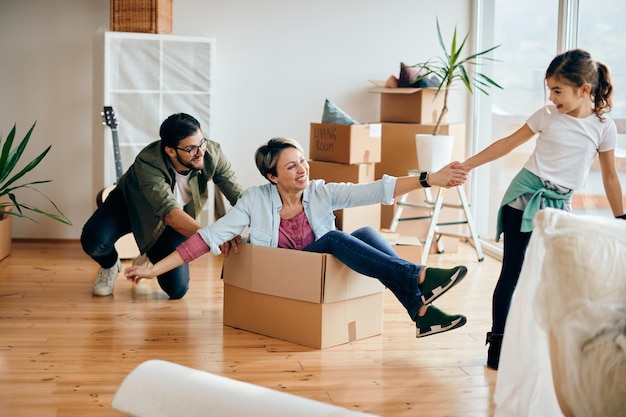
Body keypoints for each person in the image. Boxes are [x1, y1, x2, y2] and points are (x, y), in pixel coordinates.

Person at [125, 136, 471, 338]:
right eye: (291, 166)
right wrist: (154, 271)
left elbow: (375, 190)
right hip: (284, 275)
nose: (302, 169)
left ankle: (420, 312)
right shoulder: (253, 201)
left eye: (303, 162)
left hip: (317, 271)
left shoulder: (320, 192)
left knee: (365, 231)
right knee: (335, 240)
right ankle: (417, 278)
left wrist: (428, 179)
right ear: (272, 176)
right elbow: (207, 238)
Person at [453, 49, 626, 369]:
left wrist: (621, 218)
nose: (552, 97)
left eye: (558, 90)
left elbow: (611, 176)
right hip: (524, 198)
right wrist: (467, 165)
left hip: (559, 205)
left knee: (562, 273)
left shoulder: (603, 126)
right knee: (513, 272)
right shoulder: (547, 115)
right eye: (550, 90)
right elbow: (507, 143)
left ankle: (556, 344)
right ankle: (498, 345)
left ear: (584, 90)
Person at [81, 113, 244, 299]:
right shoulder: (148, 162)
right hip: (129, 206)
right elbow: (169, 212)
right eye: (191, 148)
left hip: (172, 222)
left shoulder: (211, 154)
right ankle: (110, 265)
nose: (200, 152)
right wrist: (212, 237)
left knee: (177, 290)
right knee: (93, 241)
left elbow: (239, 197)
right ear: (170, 151)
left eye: (202, 142)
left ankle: (149, 251)